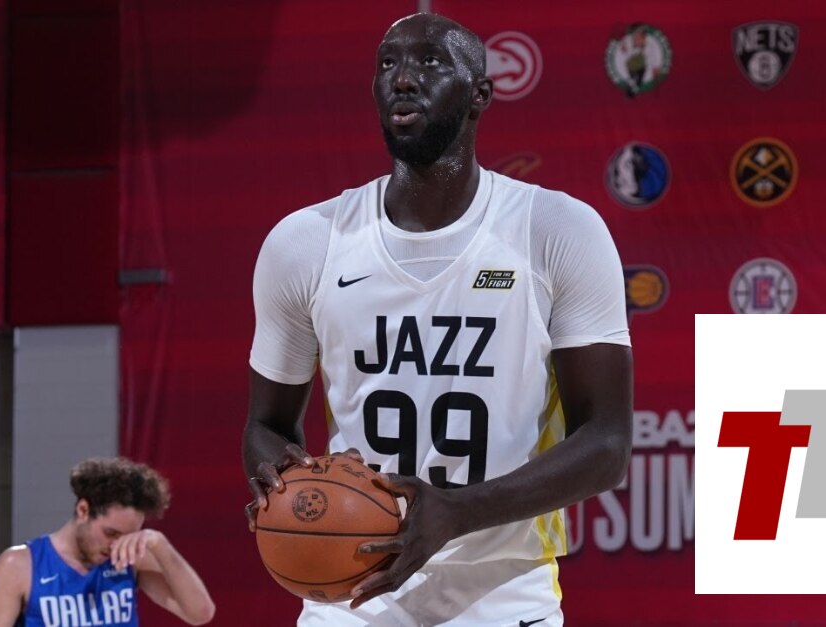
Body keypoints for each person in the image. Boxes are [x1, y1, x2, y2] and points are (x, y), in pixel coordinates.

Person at [244, 12, 632, 626]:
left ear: (480, 94)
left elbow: (606, 444)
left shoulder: (556, 230)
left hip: (502, 590)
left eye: (429, 62)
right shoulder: (306, 243)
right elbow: (265, 426)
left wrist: (458, 511)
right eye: (387, 64)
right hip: (353, 590)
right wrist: (282, 484)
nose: (402, 78)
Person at [0, 457, 215, 626]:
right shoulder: (18, 565)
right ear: (83, 510)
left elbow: (200, 613)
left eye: (127, 536)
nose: (116, 545)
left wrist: (160, 544)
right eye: (110, 533)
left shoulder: (130, 559)